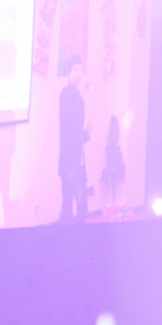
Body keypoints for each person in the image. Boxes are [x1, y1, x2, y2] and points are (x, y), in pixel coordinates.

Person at [58, 54, 91, 222]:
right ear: (69, 74)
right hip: (68, 162)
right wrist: (81, 97)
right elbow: (69, 121)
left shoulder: (78, 97)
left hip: (79, 162)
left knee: (83, 207)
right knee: (67, 210)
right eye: (75, 69)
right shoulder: (66, 95)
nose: (79, 74)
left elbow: (76, 133)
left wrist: (86, 135)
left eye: (81, 70)